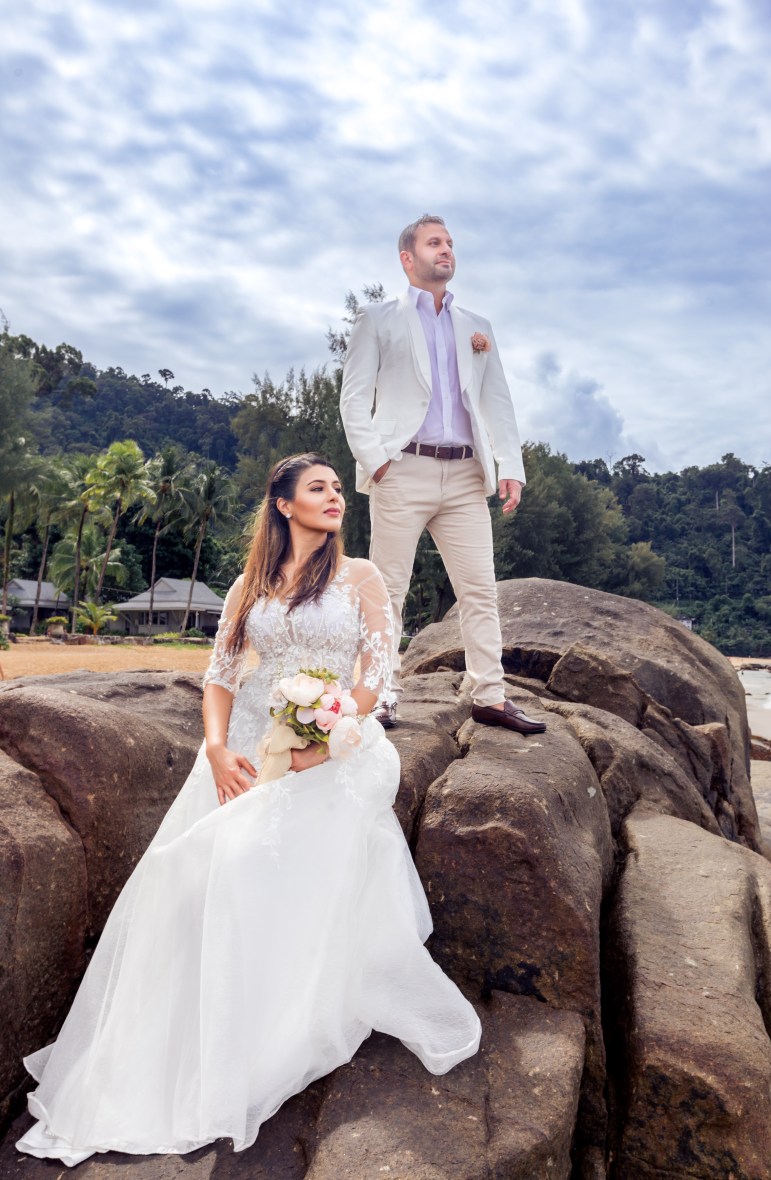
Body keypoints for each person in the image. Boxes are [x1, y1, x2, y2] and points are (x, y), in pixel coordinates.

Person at [16, 452, 481, 1167]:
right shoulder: (248, 584)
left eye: (336, 489)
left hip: (342, 748)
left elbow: (376, 678)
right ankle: (181, 1041)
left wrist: (323, 736)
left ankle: (271, 1034)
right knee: (191, 875)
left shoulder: (361, 579)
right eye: (318, 489)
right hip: (248, 749)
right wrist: (214, 749)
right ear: (283, 504)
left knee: (245, 859)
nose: (335, 499)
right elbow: (220, 676)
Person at [340, 214, 546, 736]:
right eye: (435, 243)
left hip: (463, 476)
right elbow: (353, 400)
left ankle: (490, 696)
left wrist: (510, 466)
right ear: (407, 258)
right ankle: (382, 693)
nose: (446, 250)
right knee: (388, 588)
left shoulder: (478, 327)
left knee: (479, 589)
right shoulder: (377, 320)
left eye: (450, 242)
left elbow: (497, 401)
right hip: (402, 468)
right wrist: (377, 460)